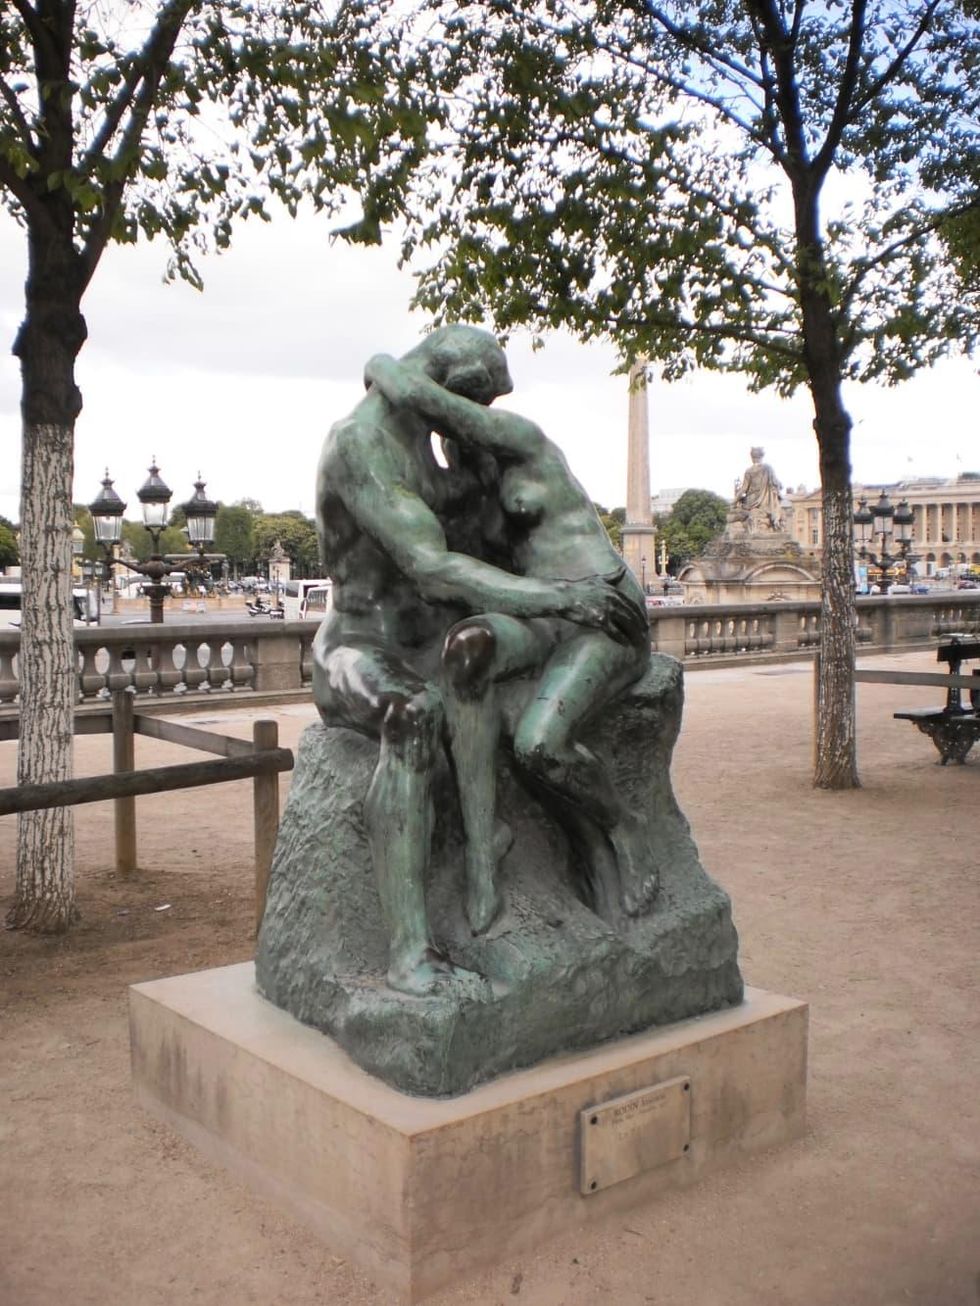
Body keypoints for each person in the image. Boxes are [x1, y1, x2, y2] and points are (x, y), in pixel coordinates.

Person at [312, 326, 646, 996]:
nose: (478, 421)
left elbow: (488, 542)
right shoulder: (360, 444)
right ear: (455, 390)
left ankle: (499, 851)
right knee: (413, 716)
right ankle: (409, 949)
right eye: (480, 402)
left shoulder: (434, 452)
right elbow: (431, 567)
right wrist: (562, 598)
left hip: (440, 641)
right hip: (362, 646)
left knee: (474, 680)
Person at [734, 446, 783, 529]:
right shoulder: (768, 468)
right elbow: (777, 484)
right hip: (765, 502)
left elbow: (744, 489)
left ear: (751, 457)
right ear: (762, 456)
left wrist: (734, 502)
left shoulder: (749, 471)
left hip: (750, 501)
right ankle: (772, 521)